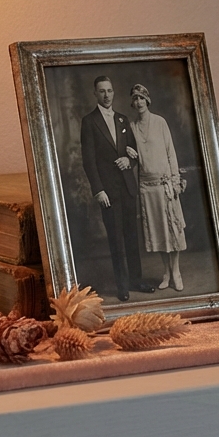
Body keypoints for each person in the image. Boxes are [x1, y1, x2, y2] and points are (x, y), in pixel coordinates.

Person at [79, 75, 148, 301]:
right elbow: (88, 161)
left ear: (113, 92)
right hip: (108, 191)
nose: (106, 95)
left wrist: (129, 161)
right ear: (95, 94)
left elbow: (133, 152)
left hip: (127, 187)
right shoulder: (89, 122)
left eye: (109, 90)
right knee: (116, 240)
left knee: (132, 236)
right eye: (102, 91)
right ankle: (122, 286)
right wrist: (98, 190)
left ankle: (136, 280)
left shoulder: (122, 119)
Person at [128, 84, 189, 291]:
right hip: (147, 187)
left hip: (165, 185)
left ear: (147, 100)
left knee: (173, 230)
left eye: (141, 98)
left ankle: (176, 272)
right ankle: (166, 272)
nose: (138, 102)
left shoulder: (160, 122)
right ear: (132, 103)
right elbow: (131, 155)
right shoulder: (132, 127)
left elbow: (171, 153)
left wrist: (175, 181)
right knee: (158, 232)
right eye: (135, 99)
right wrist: (128, 151)